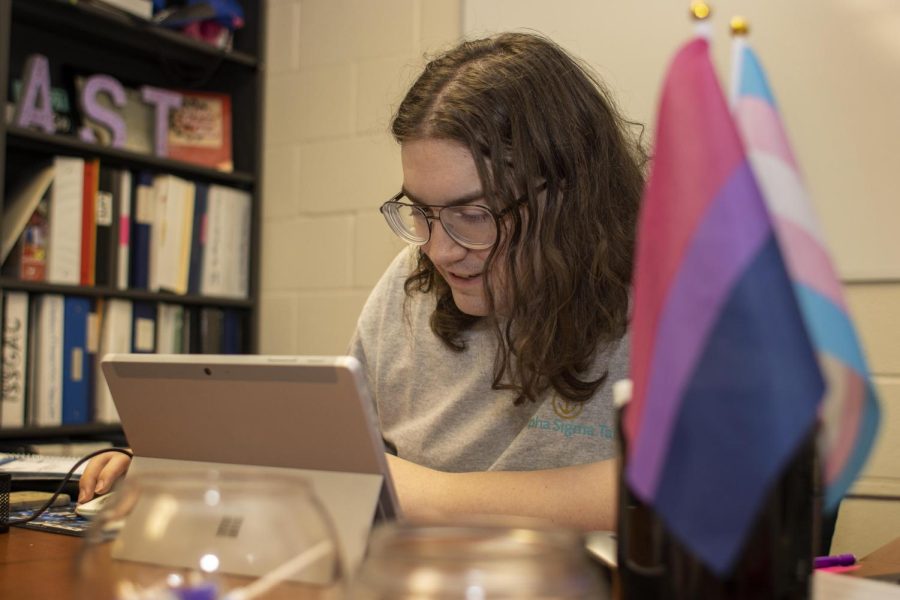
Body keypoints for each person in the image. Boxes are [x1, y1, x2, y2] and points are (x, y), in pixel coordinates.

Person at [79, 32, 645, 532]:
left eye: (474, 214)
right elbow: (337, 450)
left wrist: (430, 496)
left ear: (568, 194)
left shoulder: (664, 289)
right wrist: (186, 464)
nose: (440, 249)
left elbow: (698, 489)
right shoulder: (410, 282)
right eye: (421, 210)